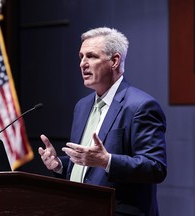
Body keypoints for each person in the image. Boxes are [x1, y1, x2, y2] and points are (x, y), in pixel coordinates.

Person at [38, 27, 167, 216]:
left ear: (114, 61)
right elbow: (87, 164)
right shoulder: (82, 106)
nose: (83, 64)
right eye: (81, 56)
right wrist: (59, 165)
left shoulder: (141, 106)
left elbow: (155, 168)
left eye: (91, 56)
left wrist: (107, 161)